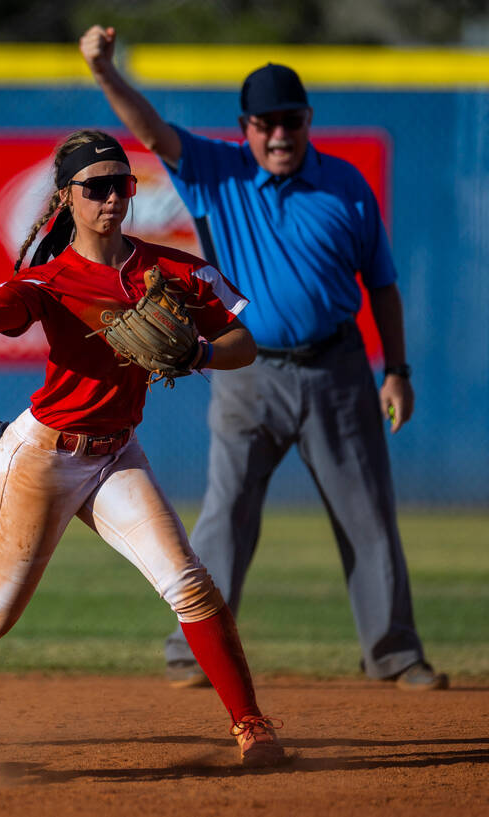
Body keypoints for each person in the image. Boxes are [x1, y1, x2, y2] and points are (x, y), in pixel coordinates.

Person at [0, 130, 288, 768]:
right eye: (96, 187)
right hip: (43, 456)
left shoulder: (170, 269)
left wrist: (198, 351)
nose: (113, 197)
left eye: (123, 183)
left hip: (116, 454)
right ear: (67, 197)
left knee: (191, 584)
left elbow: (244, 342)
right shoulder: (50, 280)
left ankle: (251, 725)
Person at [79, 26, 447, 692]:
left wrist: (396, 369)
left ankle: (394, 653)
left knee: (368, 515)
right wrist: (105, 71)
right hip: (246, 372)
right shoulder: (218, 172)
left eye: (292, 121)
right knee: (226, 515)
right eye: (266, 123)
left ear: (307, 122)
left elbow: (383, 283)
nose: (279, 134)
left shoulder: (346, 186)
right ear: (245, 126)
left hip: (337, 370)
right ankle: (194, 651)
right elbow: (152, 129)